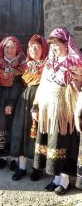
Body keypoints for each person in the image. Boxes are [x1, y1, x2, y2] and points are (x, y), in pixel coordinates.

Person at [32, 28, 81, 195]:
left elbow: (79, 86)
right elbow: (42, 86)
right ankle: (56, 178)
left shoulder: (75, 61)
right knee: (51, 141)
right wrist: (36, 106)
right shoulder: (49, 62)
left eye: (57, 44)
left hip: (65, 110)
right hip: (48, 110)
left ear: (66, 44)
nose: (53, 48)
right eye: (51, 45)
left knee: (63, 141)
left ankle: (65, 180)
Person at [9, 35, 49, 181]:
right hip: (24, 101)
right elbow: (17, 84)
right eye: (31, 47)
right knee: (22, 131)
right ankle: (21, 167)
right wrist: (11, 102)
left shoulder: (48, 65)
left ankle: (37, 168)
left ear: (43, 48)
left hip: (40, 100)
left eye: (37, 47)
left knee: (37, 133)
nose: (33, 49)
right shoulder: (24, 65)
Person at [0, 36, 26, 170]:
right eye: (7, 47)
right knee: (0, 125)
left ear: (17, 49)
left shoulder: (22, 62)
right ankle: (2, 156)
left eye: (13, 47)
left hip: (16, 97)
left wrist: (11, 102)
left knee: (14, 126)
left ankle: (14, 157)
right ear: (2, 48)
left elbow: (19, 83)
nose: (10, 50)